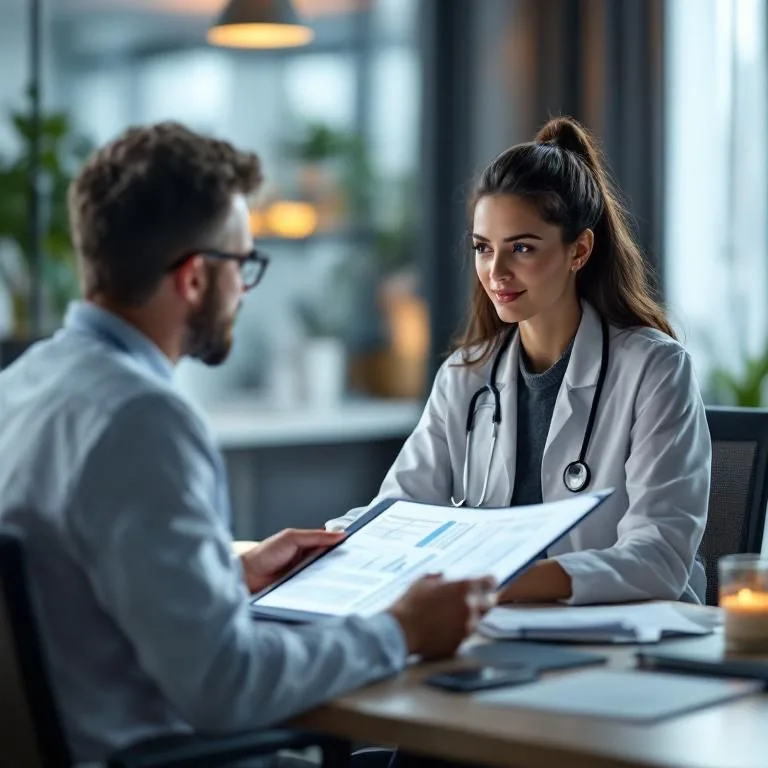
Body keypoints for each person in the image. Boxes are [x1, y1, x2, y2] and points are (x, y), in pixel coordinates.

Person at [0, 122, 493, 764]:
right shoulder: (144, 421)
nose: (244, 289)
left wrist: (227, 578)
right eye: (242, 264)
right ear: (195, 278)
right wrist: (401, 630)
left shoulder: (22, 385)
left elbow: (68, 601)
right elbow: (224, 686)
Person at [327, 116, 711, 606]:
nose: (496, 271)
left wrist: (490, 584)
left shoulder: (655, 369)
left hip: (626, 632)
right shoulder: (465, 376)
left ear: (579, 250)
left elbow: (659, 559)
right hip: (499, 624)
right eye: (483, 248)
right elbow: (397, 511)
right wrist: (321, 547)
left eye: (522, 248)